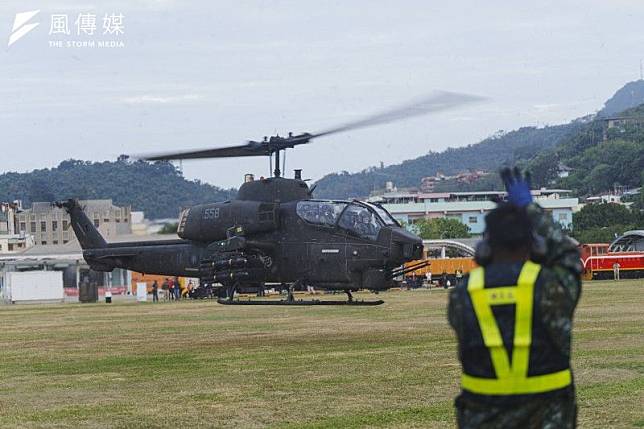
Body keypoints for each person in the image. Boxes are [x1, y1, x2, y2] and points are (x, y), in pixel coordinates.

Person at [448, 168, 582, 429]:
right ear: (535, 245)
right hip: (549, 418)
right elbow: (568, 255)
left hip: (482, 419)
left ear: (484, 248)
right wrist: (530, 209)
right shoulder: (553, 287)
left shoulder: (463, 294)